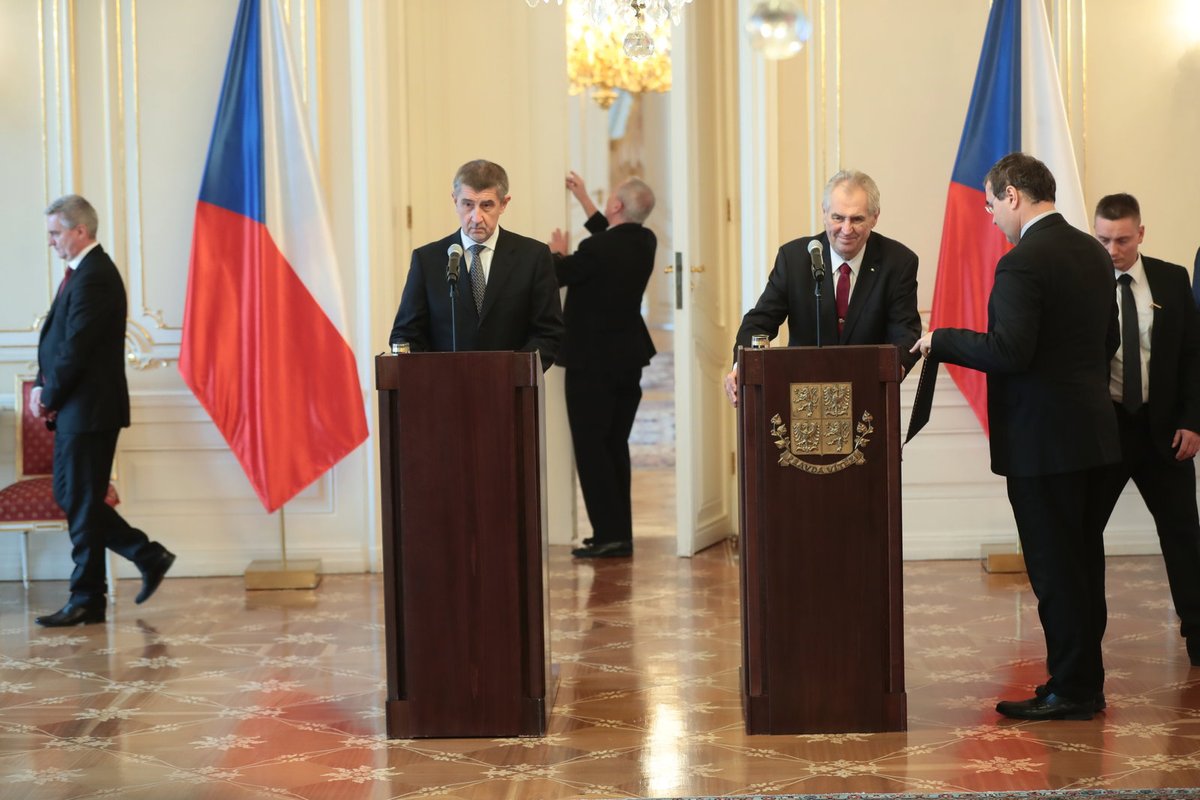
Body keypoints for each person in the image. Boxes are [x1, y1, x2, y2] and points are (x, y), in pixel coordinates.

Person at [912, 153, 1120, 720]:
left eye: (989, 204)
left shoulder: (1022, 262)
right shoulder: (1092, 253)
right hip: (1094, 438)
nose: (990, 217)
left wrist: (942, 339)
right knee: (1082, 564)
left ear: (1011, 195)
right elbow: (1109, 341)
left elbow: (1009, 352)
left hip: (1042, 446)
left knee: (1055, 571)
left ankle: (1072, 691)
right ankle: (1084, 682)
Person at [33, 194, 175, 627]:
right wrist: (48, 388)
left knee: (78, 498)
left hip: (89, 409)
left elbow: (77, 348)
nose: (51, 242)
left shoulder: (95, 275)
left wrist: (49, 394)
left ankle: (90, 593)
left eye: (56, 233)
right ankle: (137, 562)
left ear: (80, 231)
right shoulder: (84, 273)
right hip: (80, 406)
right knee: (75, 497)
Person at [1090, 193, 1200, 667]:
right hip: (1104, 431)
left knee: (1183, 535)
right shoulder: (1082, 282)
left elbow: (1195, 357)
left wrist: (1193, 422)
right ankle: (1083, 643)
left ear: (1140, 234)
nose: (1112, 250)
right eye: (1102, 239)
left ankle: (1198, 633)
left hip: (1165, 431)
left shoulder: (1173, 280)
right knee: (1083, 533)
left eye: (1121, 240)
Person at [723, 169, 921, 406]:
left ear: (874, 217)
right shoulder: (794, 258)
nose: (847, 229)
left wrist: (891, 371)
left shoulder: (898, 262)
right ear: (824, 213)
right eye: (838, 217)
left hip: (868, 397)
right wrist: (741, 367)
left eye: (857, 219)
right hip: (802, 396)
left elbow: (905, 333)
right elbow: (760, 322)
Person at [549, 172, 657, 559]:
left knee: (592, 448)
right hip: (628, 359)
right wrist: (583, 198)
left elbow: (559, 275)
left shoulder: (595, 252)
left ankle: (609, 535)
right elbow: (608, 236)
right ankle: (617, 533)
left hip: (591, 361)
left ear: (616, 206)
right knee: (614, 445)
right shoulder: (645, 241)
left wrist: (557, 253)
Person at [390, 159, 563, 369]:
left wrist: (514, 373)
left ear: (504, 203)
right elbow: (405, 334)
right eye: (468, 204)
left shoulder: (533, 256)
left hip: (511, 391)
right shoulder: (427, 259)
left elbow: (548, 333)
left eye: (486, 205)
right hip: (444, 391)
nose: (476, 217)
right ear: (455, 201)